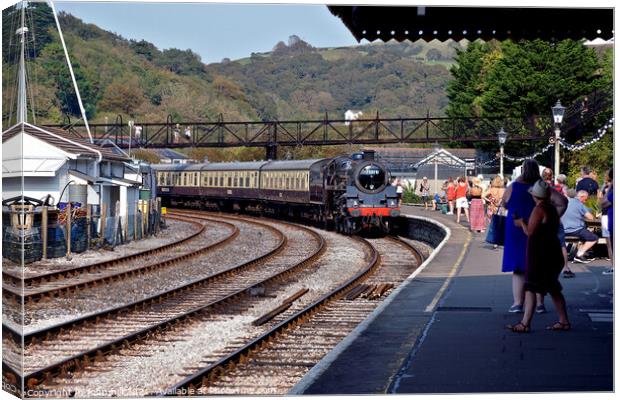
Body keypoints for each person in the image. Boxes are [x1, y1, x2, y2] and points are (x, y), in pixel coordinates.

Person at [506, 180, 570, 333]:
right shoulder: (552, 209)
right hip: (553, 251)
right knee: (554, 288)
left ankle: (525, 323)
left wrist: (521, 222)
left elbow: (530, 232)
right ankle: (564, 321)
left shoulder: (539, 209)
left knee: (530, 287)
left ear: (535, 196)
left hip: (540, 254)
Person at [501, 159, 545, 313]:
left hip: (516, 226)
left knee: (518, 268)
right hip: (537, 225)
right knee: (537, 266)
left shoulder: (514, 186)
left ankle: (518, 303)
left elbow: (504, 203)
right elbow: (558, 202)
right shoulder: (540, 186)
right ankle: (539, 304)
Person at [542, 168, 574, 278]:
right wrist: (558, 214)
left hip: (543, 219)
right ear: (552, 176)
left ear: (542, 175)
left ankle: (544, 268)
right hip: (556, 218)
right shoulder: (557, 188)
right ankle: (566, 267)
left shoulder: (539, 188)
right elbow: (565, 202)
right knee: (561, 244)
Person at [562, 190, 598, 263]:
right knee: (594, 238)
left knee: (585, 233)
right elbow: (590, 217)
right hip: (575, 230)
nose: (585, 201)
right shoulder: (579, 204)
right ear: (581, 197)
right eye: (585, 199)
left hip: (562, 229)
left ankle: (578, 253)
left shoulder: (564, 202)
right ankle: (579, 255)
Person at [599, 168, 613, 274]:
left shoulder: (610, 188)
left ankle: (613, 266)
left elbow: (603, 203)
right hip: (606, 214)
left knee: (610, 242)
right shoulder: (605, 187)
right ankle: (613, 265)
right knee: (610, 243)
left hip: (607, 215)